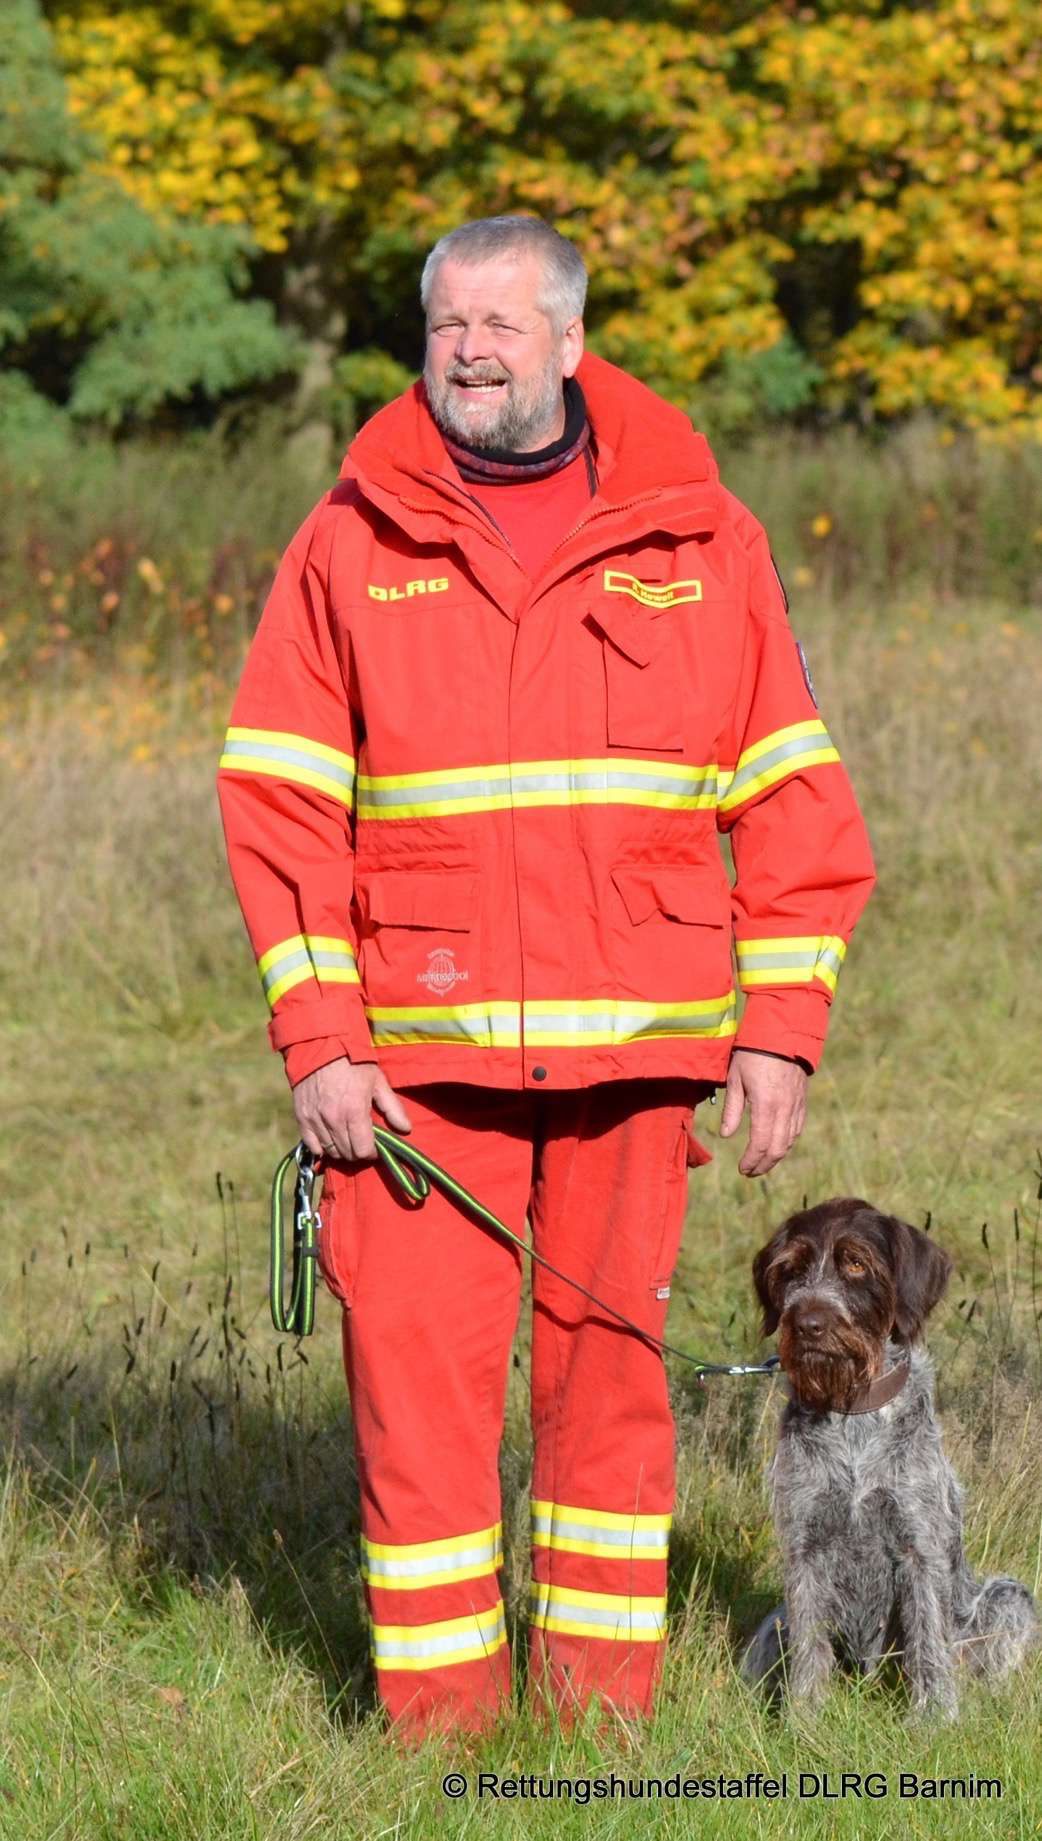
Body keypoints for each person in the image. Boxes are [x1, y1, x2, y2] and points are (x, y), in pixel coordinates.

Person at [217, 215, 875, 1735]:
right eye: (446, 323)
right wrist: (317, 1040)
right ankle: (440, 1734)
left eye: (501, 324)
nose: (469, 349)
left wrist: (777, 1029)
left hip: (637, 1063)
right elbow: (277, 798)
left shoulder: (702, 537)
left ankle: (597, 1725)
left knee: (613, 1393)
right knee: (417, 1397)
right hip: (409, 1068)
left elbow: (791, 797)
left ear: (572, 342)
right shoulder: (349, 536)